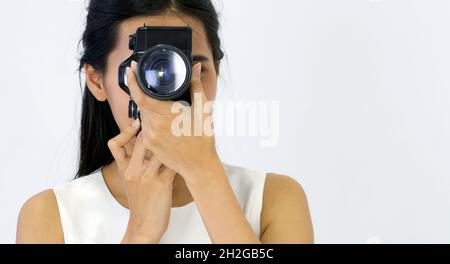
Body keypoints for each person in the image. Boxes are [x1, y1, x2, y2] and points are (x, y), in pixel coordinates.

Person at [16, 0, 313, 244]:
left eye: (190, 69)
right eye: (144, 70)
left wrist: (204, 175)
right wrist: (141, 231)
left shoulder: (274, 199)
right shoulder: (50, 216)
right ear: (96, 81)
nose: (167, 91)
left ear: (215, 72)